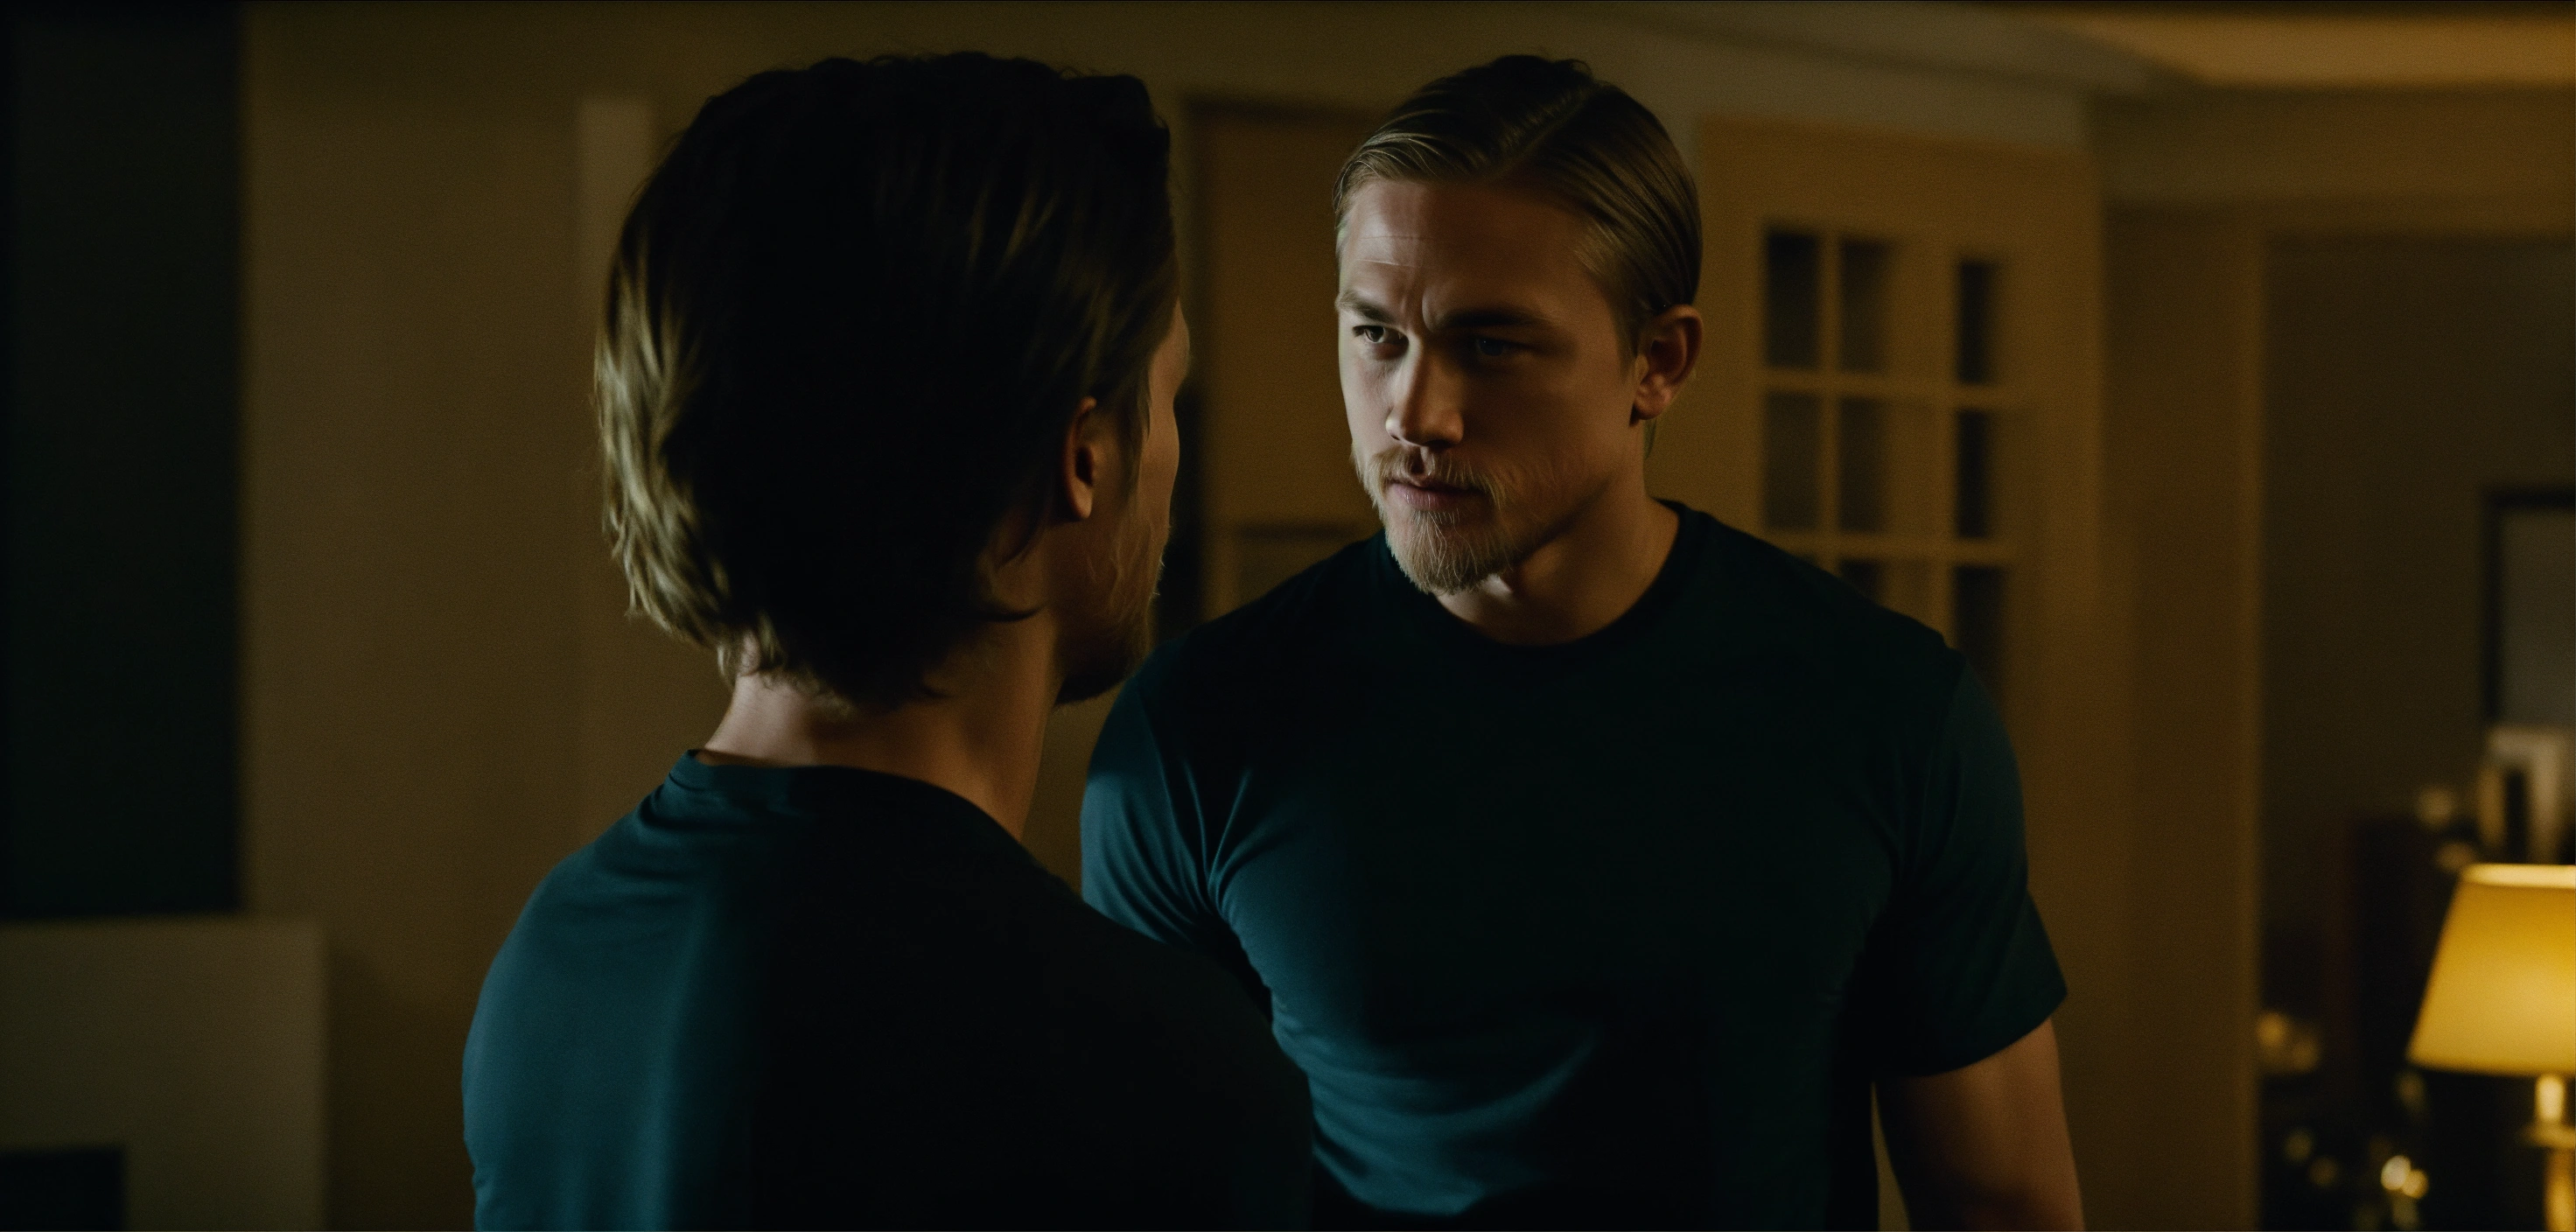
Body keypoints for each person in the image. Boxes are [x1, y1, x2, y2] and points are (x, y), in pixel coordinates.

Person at [1083, 56, 2082, 1230]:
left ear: (1658, 363)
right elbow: (1150, 1190)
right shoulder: (1201, 732)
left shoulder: (1887, 712)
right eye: (1376, 335)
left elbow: (2002, 1202)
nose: (1415, 413)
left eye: (1491, 345)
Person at [464, 53, 1309, 1231]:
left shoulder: (559, 954)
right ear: (1081, 458)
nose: (1171, 448)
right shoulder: (1149, 1073)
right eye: (1167, 393)